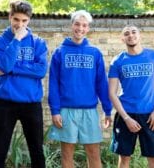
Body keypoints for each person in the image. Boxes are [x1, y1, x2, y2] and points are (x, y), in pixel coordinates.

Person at [48, 10, 113, 168]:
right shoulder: (59, 52)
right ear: (71, 25)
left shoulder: (94, 53)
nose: (80, 28)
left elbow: (101, 83)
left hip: (89, 110)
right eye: (77, 24)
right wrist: (55, 110)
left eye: (84, 25)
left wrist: (107, 110)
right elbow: (53, 83)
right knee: (67, 154)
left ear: (88, 29)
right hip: (66, 110)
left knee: (93, 154)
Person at [0, 0, 47, 168]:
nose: (20, 25)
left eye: (24, 21)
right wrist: (16, 40)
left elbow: (41, 71)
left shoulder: (38, 42)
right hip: (5, 104)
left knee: (36, 149)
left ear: (29, 20)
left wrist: (12, 70)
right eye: (16, 20)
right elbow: (5, 65)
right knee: (0, 149)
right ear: (10, 17)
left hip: (31, 103)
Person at [108, 25, 154, 168]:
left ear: (140, 35)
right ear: (122, 39)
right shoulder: (117, 61)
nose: (131, 35)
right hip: (126, 115)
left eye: (134, 32)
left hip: (150, 116)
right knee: (124, 158)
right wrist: (126, 118)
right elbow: (112, 93)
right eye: (126, 33)